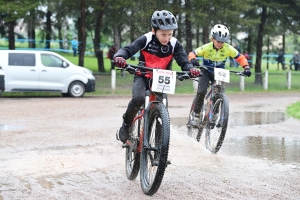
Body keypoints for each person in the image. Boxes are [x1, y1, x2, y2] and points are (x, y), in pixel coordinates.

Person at [113, 10, 200, 143]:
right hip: (143, 75)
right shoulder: (146, 39)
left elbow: (184, 62)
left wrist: (191, 69)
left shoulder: (174, 44)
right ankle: (125, 125)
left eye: (170, 34)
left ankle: (160, 148)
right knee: (138, 98)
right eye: (163, 34)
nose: (167, 38)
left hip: (161, 79)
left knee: (162, 110)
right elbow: (128, 49)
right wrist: (119, 57)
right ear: (154, 30)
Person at [188, 24, 251, 124]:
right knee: (201, 91)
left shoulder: (228, 48)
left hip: (220, 73)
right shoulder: (207, 47)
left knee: (219, 93)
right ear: (213, 39)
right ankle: (196, 114)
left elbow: (240, 57)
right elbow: (192, 54)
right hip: (206, 71)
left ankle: (215, 114)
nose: (220, 43)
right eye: (218, 41)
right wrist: (193, 60)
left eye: (222, 42)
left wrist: (246, 67)